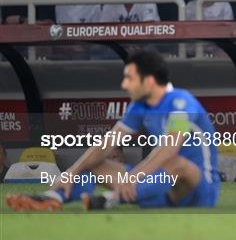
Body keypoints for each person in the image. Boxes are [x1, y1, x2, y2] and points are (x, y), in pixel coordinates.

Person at [6, 50, 221, 211]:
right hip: (156, 187)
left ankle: (112, 199)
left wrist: (134, 176)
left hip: (198, 191)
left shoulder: (182, 103)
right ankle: (53, 197)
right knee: (93, 161)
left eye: (129, 78)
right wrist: (71, 171)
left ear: (149, 80)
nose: (124, 84)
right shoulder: (139, 106)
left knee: (176, 163)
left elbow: (171, 148)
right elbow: (107, 143)